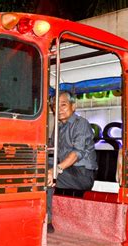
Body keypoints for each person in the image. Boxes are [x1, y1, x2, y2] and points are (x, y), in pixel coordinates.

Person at [47, 91, 98, 233]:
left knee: (47, 175)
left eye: (63, 105)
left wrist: (55, 170)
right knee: (39, 171)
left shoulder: (81, 124)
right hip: (67, 171)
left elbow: (77, 153)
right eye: (54, 106)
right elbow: (52, 152)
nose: (58, 109)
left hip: (82, 175)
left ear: (73, 106)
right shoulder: (58, 128)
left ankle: (48, 221)